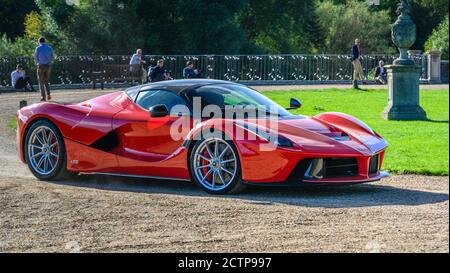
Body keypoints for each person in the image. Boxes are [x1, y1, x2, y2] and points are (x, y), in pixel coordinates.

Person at [33, 37, 53, 101]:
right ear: (45, 41)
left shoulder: (38, 48)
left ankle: (43, 97)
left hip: (41, 66)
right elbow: (52, 56)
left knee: (41, 82)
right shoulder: (49, 48)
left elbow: (35, 57)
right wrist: (49, 62)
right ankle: (49, 95)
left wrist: (38, 61)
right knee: (46, 81)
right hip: (48, 66)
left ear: (39, 41)